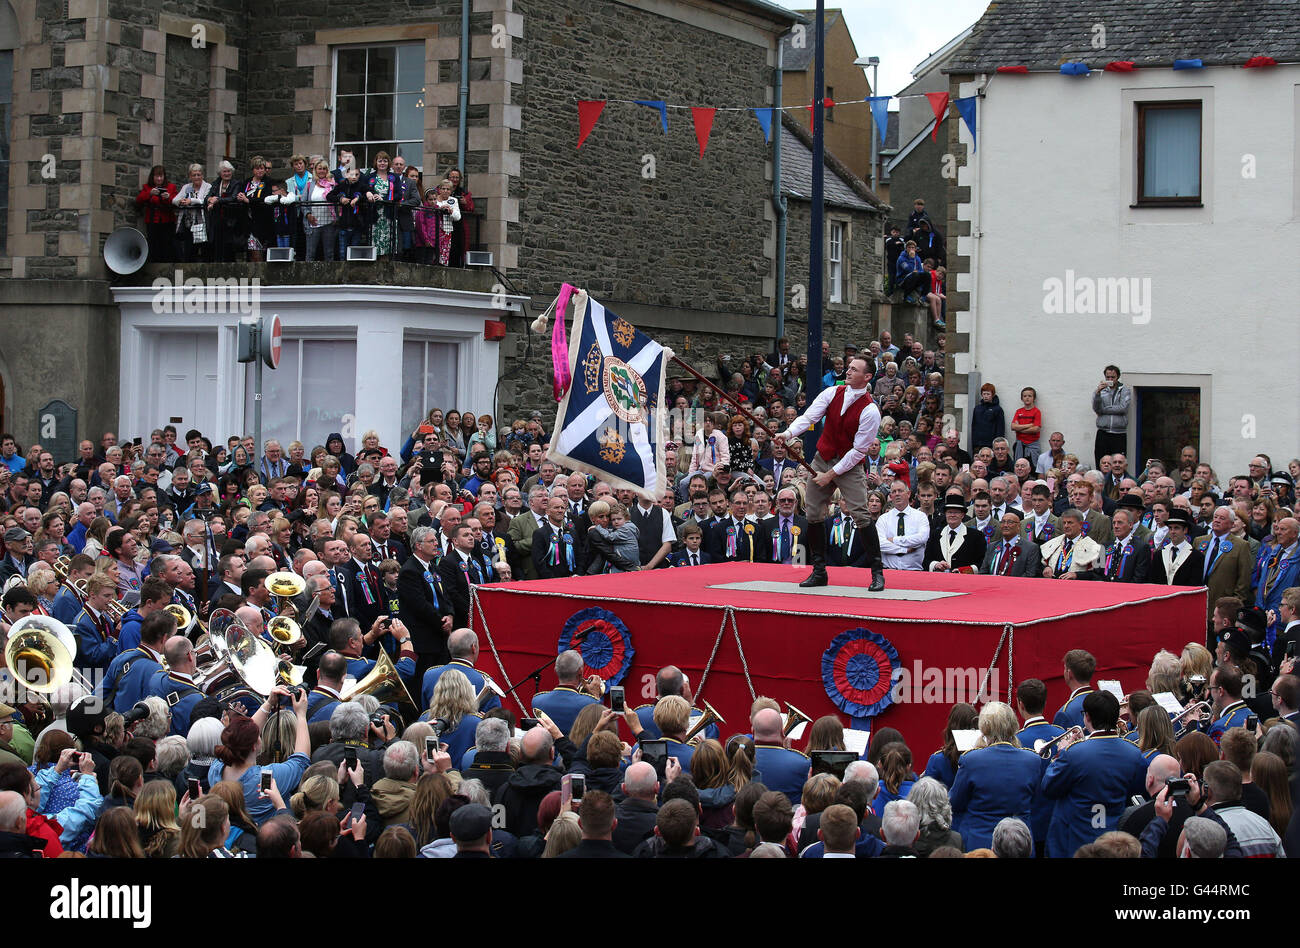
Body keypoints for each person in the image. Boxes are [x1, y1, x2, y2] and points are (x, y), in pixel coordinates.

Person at [772, 356, 885, 590]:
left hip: (849, 464)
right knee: (813, 513)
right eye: (849, 367)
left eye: (855, 369)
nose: (849, 371)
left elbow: (858, 451)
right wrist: (788, 434)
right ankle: (819, 571)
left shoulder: (871, 411)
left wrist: (830, 474)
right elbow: (809, 418)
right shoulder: (832, 392)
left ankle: (877, 573)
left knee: (861, 515)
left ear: (867, 377)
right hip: (823, 457)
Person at [1041, 691, 1147, 857]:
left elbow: (1049, 787)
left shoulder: (1073, 753)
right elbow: (1136, 791)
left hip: (1077, 840)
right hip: (1115, 841)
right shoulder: (1133, 752)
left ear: (1087, 717)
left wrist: (1059, 755)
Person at [948, 702, 1042, 851]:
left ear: (985, 727)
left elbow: (955, 801)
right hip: (1019, 843)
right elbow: (1035, 801)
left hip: (980, 842)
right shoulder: (1033, 760)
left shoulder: (971, 759)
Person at [924, 495, 986, 573]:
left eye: (956, 512)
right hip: (939, 579)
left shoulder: (976, 536)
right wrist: (936, 565)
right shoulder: (935, 534)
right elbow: (926, 560)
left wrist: (963, 571)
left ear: (963, 515)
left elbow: (981, 563)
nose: (952, 515)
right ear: (945, 514)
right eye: (949, 512)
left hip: (965, 581)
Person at [1091, 365, 1130, 468]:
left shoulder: (1124, 390)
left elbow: (1123, 408)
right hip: (1103, 432)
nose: (1110, 380)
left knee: (1118, 463)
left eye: (1113, 377)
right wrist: (1098, 393)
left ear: (1118, 377)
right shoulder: (1101, 390)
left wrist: (1105, 410)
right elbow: (1096, 408)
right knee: (1101, 462)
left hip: (1119, 433)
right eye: (1108, 377)